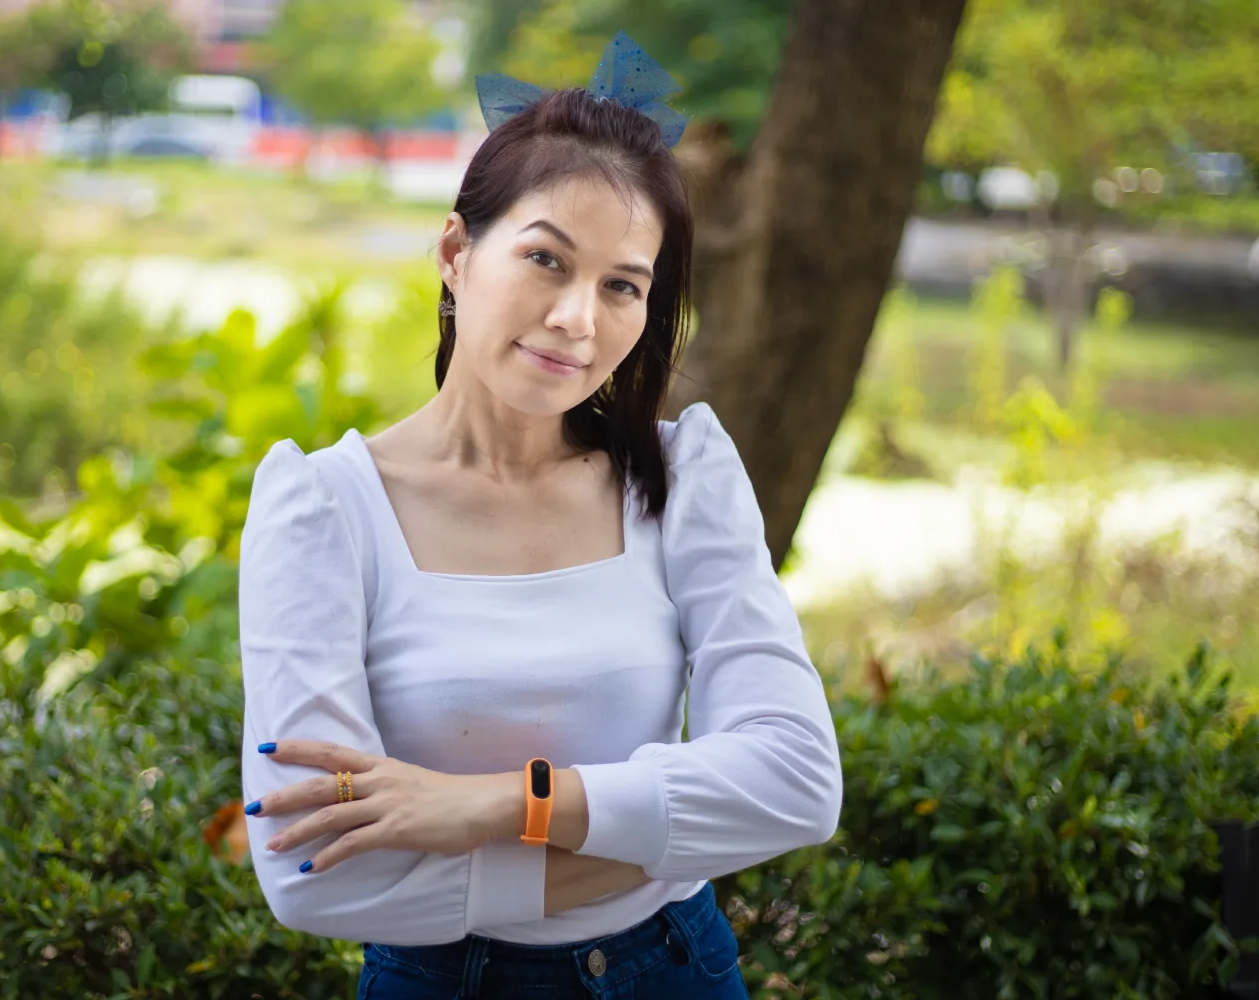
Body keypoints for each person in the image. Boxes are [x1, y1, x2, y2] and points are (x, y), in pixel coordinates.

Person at [237, 32, 843, 1000]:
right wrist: (656, 847)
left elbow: (795, 782)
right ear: (454, 252)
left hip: (675, 972)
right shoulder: (325, 507)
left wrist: (492, 805)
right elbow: (313, 875)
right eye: (545, 261)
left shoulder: (682, 476)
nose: (578, 319)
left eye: (622, 286)